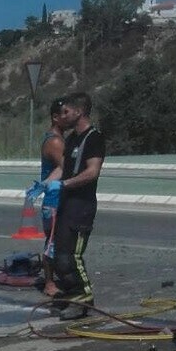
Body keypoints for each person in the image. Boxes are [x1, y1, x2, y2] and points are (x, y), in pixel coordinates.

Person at [42, 92, 106, 320]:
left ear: (78, 112)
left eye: (67, 112)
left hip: (82, 205)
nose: (63, 116)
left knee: (72, 256)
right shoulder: (71, 140)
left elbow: (92, 172)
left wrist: (65, 184)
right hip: (66, 204)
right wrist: (45, 185)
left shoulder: (94, 138)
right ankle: (72, 297)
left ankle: (84, 299)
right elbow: (64, 168)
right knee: (59, 256)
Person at [38, 99, 65, 298]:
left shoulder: (58, 138)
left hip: (57, 197)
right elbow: (67, 167)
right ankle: (49, 282)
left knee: (58, 240)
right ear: (55, 117)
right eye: (64, 113)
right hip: (54, 199)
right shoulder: (55, 142)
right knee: (53, 241)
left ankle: (55, 279)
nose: (68, 116)